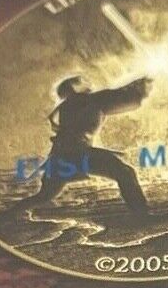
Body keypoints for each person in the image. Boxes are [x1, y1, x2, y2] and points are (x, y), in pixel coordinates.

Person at [13, 74, 152, 216]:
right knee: (125, 172)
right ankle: (141, 214)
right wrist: (140, 88)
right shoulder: (88, 101)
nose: (89, 86)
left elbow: (119, 100)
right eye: (82, 84)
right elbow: (127, 101)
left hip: (62, 156)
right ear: (75, 89)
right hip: (75, 155)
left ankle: (7, 215)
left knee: (44, 196)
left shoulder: (69, 105)